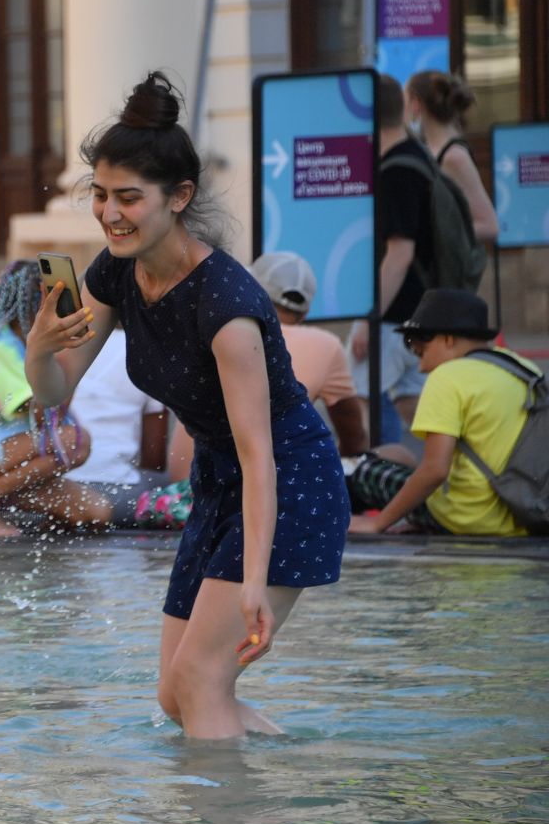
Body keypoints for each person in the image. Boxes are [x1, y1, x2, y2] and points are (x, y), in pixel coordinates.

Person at [25, 72, 347, 740]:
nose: (110, 213)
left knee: (200, 680)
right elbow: (57, 392)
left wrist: (254, 581)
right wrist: (38, 353)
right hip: (217, 483)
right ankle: (283, 772)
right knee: (178, 695)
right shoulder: (114, 272)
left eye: (129, 199)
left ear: (179, 197)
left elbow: (260, 453)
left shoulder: (226, 307)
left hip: (288, 480)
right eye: (101, 195)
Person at [0, 260, 115, 537]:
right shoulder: (1, 348)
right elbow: (44, 413)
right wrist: (63, 357)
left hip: (11, 474)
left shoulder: (22, 344)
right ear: (35, 305)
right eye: (52, 300)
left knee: (98, 513)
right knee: (74, 440)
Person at [347, 290, 540, 538]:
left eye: (420, 351)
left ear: (448, 340)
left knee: (363, 471)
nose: (421, 366)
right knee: (403, 461)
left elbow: (435, 470)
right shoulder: (522, 367)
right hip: (522, 513)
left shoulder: (448, 377)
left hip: (469, 517)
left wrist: (378, 524)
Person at [348, 72, 457, 431]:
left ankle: (381, 481)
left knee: (363, 406)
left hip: (395, 314)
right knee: (412, 405)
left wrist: (368, 317)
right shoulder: (418, 156)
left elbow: (399, 254)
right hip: (418, 308)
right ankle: (451, 475)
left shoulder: (395, 171)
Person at [249, 252, 368, 457]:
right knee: (397, 454)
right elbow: (354, 439)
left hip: (191, 480)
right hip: (274, 476)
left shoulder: (225, 331)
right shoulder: (326, 345)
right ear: (305, 312)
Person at [71, 327, 175, 522]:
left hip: (56, 485)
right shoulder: (149, 350)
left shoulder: (63, 344)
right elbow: (154, 459)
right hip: (117, 495)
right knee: (172, 483)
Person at [405, 71, 498, 245]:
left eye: (405, 100)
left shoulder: (454, 157)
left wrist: (432, 237)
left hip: (450, 271)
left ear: (416, 104)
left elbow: (489, 225)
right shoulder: (430, 150)